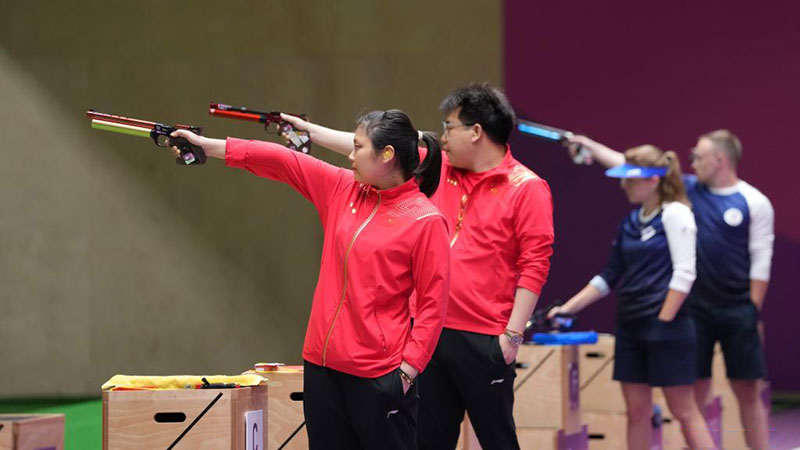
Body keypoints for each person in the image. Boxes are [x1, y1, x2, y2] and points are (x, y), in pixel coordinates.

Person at [281, 83, 555, 449]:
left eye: (449, 127)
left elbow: (535, 264)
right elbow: (378, 149)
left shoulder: (527, 186)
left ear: (476, 131)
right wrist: (311, 132)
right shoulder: (439, 169)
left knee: (498, 439)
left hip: (486, 336)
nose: (442, 138)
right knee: (427, 440)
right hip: (429, 336)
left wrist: (512, 337)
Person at [170, 109, 450, 450]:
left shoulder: (425, 220)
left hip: (380, 376)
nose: (350, 156)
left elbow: (433, 305)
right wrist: (210, 146)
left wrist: (407, 371)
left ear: (387, 154)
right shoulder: (342, 189)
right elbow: (283, 160)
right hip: (321, 370)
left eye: (358, 147)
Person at [568, 130, 773, 449]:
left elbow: (760, 260)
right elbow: (631, 165)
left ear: (720, 160)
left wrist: (751, 310)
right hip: (693, 310)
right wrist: (590, 146)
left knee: (745, 390)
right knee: (693, 393)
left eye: (698, 156)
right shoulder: (687, 189)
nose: (692, 161)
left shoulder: (753, 201)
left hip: (731, 310)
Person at [549, 145, 715, 449]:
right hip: (630, 327)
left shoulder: (676, 214)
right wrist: (567, 308)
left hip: (669, 329)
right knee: (636, 412)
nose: (624, 185)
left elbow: (685, 273)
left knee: (684, 411)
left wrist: (663, 320)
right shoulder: (630, 222)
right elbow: (608, 276)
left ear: (653, 180)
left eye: (631, 179)